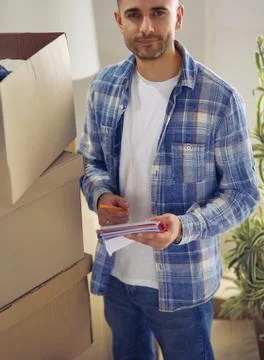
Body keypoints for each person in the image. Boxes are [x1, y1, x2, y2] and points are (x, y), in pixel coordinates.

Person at [78, 0, 260, 359]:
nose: (146, 27)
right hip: (118, 275)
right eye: (134, 15)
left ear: (178, 15)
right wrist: (99, 195)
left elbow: (242, 192)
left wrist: (183, 227)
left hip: (183, 287)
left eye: (158, 12)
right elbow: (90, 162)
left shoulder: (219, 99)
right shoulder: (104, 87)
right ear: (119, 21)